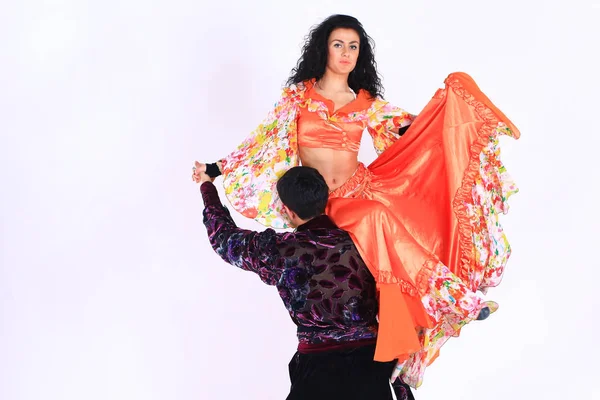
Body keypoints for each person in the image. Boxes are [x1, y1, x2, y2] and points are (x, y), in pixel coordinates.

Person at [192, 14, 519, 388]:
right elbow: (263, 137)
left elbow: (405, 127)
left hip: (358, 191)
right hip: (319, 202)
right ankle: (449, 300)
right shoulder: (299, 96)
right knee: (374, 220)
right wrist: (217, 168)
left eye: (353, 46)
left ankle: (443, 306)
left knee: (377, 219)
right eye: (338, 45)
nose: (346, 53)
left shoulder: (364, 102)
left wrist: (441, 120)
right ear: (323, 49)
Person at [198, 166, 415, 400]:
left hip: (317, 372)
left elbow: (224, 239)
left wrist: (207, 185)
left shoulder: (280, 250)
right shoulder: (363, 238)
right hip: (371, 367)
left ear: (289, 211)